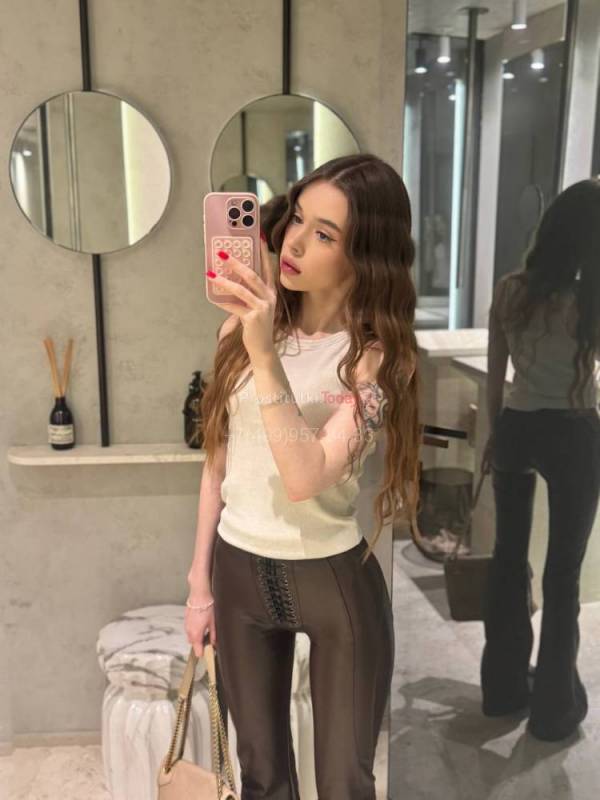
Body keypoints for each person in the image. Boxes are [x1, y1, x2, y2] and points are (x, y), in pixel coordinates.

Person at [185, 153, 420, 799]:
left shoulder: (376, 359)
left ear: (364, 255)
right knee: (261, 777)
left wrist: (264, 353)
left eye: (324, 234)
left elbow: (304, 475)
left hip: (332, 579)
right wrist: (198, 583)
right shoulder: (238, 330)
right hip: (238, 569)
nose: (292, 242)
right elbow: (218, 462)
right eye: (296, 219)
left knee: (345, 782)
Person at [480, 178, 600, 742]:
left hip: (517, 426)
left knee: (508, 560)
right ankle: (554, 709)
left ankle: (503, 690)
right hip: (575, 433)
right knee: (562, 573)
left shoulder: (510, 290)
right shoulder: (590, 299)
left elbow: (495, 376)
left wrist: (493, 435)